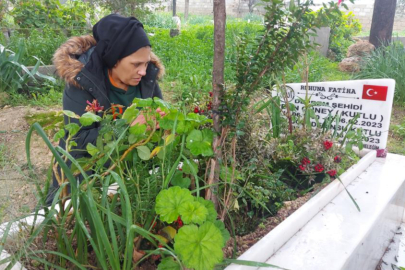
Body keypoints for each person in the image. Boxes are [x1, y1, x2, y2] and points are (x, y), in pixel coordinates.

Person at [47, 14, 165, 204]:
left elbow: (158, 116)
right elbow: (77, 140)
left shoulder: (147, 77)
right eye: (136, 64)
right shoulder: (82, 81)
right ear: (113, 59)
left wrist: (161, 122)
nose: (143, 71)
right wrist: (127, 125)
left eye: (146, 63)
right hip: (89, 170)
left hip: (131, 165)